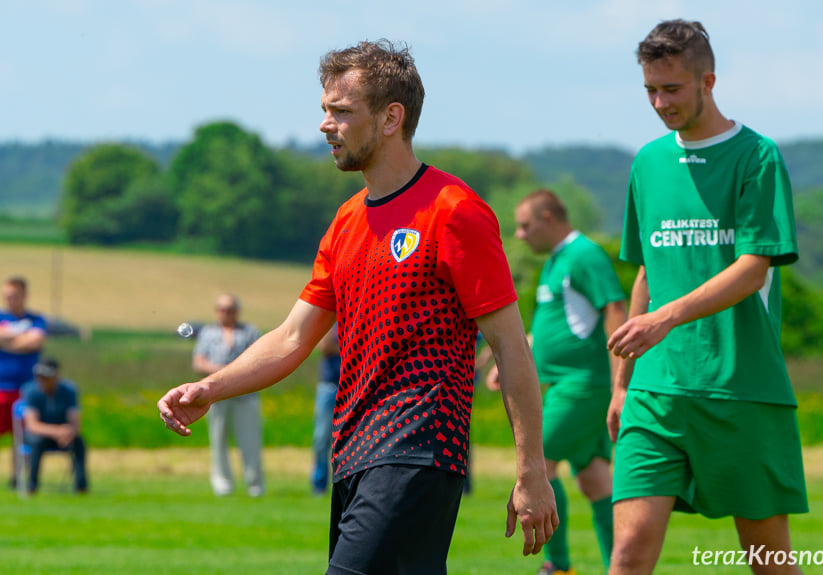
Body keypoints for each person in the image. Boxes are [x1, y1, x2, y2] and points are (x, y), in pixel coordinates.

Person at [159, 39, 557, 574]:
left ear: (392, 117)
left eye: (341, 112)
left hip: (419, 448)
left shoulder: (454, 211)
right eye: (325, 110)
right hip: (353, 453)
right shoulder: (346, 221)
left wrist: (531, 470)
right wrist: (211, 387)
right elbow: (293, 336)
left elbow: (510, 347)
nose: (326, 124)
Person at [606, 20, 807, 575]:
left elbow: (751, 269)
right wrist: (622, 384)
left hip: (740, 385)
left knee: (769, 562)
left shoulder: (757, 156)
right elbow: (648, 270)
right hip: (655, 391)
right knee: (627, 553)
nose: (658, 101)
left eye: (671, 89)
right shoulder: (647, 163)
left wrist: (666, 319)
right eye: (649, 88)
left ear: (708, 81)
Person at [487, 189, 627, 574]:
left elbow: (615, 307)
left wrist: (621, 383)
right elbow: (558, 328)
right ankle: (623, 567)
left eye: (525, 225)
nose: (518, 234)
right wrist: (514, 359)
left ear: (549, 218)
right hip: (564, 385)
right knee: (596, 481)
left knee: (538, 461)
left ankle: (558, 566)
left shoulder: (584, 255)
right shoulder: (555, 262)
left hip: (582, 387)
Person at [192, 293, 264, 497]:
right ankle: (222, 483)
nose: (226, 314)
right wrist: (224, 372)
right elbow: (199, 362)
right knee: (218, 440)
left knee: (250, 441)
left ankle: (255, 484)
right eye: (222, 309)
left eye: (230, 310)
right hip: (216, 396)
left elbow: (258, 360)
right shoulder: (208, 333)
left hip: (245, 395)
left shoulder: (249, 332)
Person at [0, 275, 47, 488]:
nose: (10, 299)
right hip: (2, 386)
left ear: (24, 295)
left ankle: (17, 476)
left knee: (21, 436)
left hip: (26, 388)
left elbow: (35, 341)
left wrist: (7, 342)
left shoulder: (36, 319)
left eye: (15, 295)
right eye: (7, 296)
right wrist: (20, 338)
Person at [21, 357, 88, 494]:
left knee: (79, 442)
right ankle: (32, 486)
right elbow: (32, 425)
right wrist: (57, 431)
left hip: (63, 436)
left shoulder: (69, 390)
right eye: (40, 376)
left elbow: (74, 421)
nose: (43, 380)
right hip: (39, 436)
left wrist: (69, 433)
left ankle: (81, 486)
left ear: (56, 376)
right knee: (37, 442)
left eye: (46, 376)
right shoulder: (30, 391)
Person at [310, 324, 339, 496]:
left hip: (354, 386)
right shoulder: (332, 322)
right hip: (329, 387)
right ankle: (319, 485)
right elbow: (324, 346)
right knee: (321, 438)